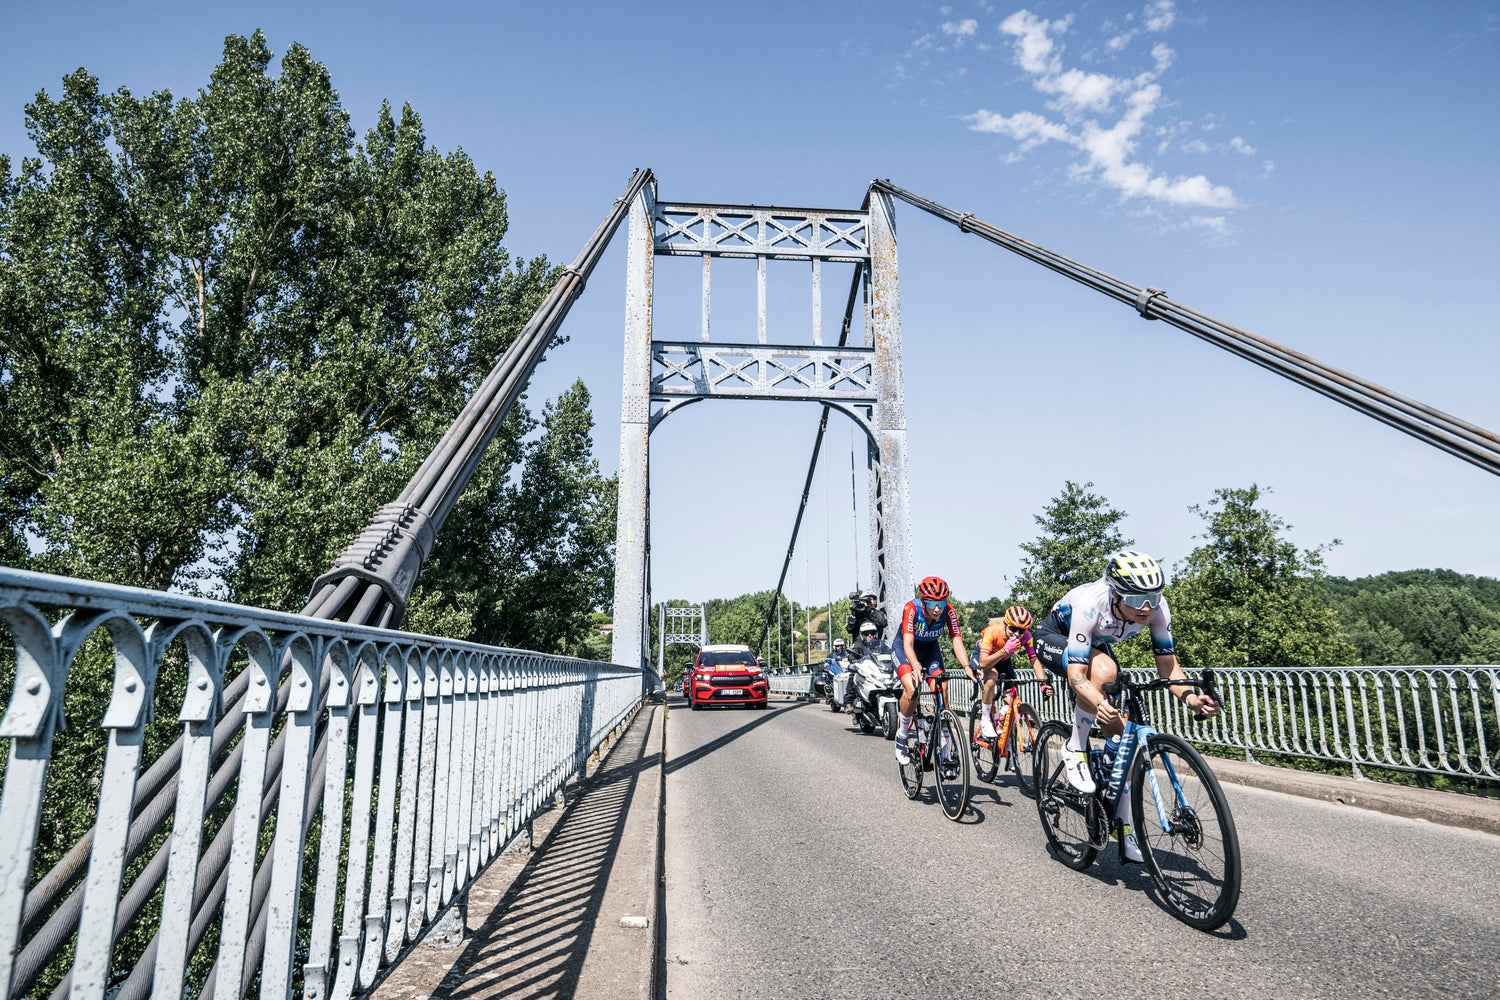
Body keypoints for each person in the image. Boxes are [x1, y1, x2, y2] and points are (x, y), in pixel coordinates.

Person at [1033, 550, 1219, 863]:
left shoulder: (1157, 609)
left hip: (1095, 643)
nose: (1145, 607)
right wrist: (1097, 701)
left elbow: (1169, 669)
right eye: (1135, 600)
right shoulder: (1091, 603)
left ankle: (1123, 825)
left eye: (1153, 597)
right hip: (1056, 636)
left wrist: (1191, 699)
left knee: (1125, 739)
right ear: (1115, 594)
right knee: (1105, 673)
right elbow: (1077, 676)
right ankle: (1075, 748)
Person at [892, 576, 973, 767]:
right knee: (912, 690)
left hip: (930, 651)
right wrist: (916, 665)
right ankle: (902, 736)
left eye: (941, 603)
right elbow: (908, 643)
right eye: (931, 603)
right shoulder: (911, 609)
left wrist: (967, 666)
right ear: (923, 601)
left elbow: (957, 641)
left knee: (942, 689)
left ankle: (944, 744)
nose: (937, 609)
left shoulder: (949, 612)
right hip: (905, 650)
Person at [969, 605, 1051, 740]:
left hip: (1003, 661)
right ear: (1005, 624)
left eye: (1022, 630)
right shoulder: (992, 632)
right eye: (1013, 628)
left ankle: (1003, 726)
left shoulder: (1027, 637)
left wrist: (1043, 684)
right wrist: (1005, 650)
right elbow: (984, 663)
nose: (1017, 634)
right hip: (983, 657)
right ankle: (985, 719)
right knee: (992, 677)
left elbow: (1035, 661)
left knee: (1012, 699)